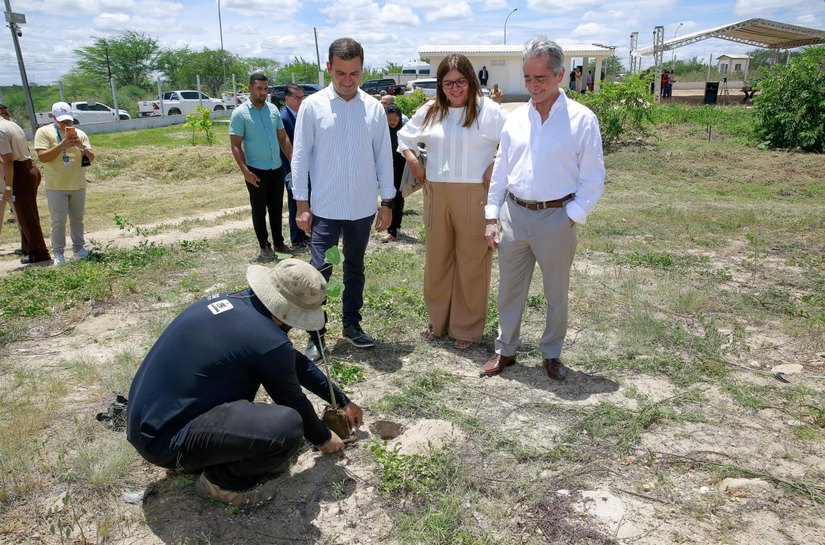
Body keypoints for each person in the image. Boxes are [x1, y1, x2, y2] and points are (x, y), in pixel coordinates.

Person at [127, 259, 363, 508]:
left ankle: (208, 455)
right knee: (287, 427)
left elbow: (294, 362)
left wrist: (341, 400)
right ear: (286, 314)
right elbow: (292, 400)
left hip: (146, 423)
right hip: (165, 442)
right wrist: (324, 438)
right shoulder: (267, 341)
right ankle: (222, 484)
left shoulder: (238, 305)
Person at [482, 36, 605, 381]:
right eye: (527, 78)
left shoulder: (582, 120)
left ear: (560, 75)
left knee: (555, 293)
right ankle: (505, 350)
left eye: (541, 78)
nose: (533, 86)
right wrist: (492, 216)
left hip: (557, 217)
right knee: (509, 289)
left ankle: (551, 354)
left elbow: (593, 177)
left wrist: (571, 216)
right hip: (514, 215)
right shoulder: (515, 119)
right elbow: (501, 169)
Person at [291, 37, 395, 361]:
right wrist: (301, 205)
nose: (348, 81)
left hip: (362, 208)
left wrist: (387, 202)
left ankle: (352, 325)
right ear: (328, 69)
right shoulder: (313, 106)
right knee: (319, 271)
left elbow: (384, 159)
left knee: (354, 268)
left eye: (354, 73)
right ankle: (316, 336)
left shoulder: (374, 108)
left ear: (362, 69)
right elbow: (299, 157)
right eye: (340, 74)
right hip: (324, 209)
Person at [398, 53, 507, 350]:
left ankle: (467, 328)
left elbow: (514, 144)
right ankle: (438, 322)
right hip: (437, 192)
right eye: (448, 83)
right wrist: (414, 161)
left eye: (460, 82)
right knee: (438, 260)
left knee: (472, 261)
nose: (455, 89)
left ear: (471, 81)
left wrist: (495, 164)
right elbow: (404, 137)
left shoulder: (490, 111)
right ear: (440, 85)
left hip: (474, 194)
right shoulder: (431, 111)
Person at [230, 73, 294, 261]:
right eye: (259, 88)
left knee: (276, 208)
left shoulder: (273, 109)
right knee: (259, 210)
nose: (263, 92)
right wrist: (245, 172)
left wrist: (293, 162)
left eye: (265, 89)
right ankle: (264, 246)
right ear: (250, 88)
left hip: (276, 168)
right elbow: (235, 145)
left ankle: (279, 243)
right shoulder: (240, 113)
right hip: (255, 171)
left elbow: (283, 138)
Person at [33, 102, 95, 265]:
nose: (67, 124)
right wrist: (62, 146)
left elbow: (91, 158)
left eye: (69, 120)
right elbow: (43, 157)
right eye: (62, 121)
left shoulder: (80, 134)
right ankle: (58, 253)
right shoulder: (44, 132)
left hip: (78, 184)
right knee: (58, 220)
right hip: (56, 185)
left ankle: (79, 249)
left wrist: (81, 147)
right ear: (53, 117)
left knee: (77, 218)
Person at [1, 108, 51, 265]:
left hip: (19, 171)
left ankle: (39, 253)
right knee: (25, 214)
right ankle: (28, 248)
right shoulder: (10, 124)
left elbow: (8, 159)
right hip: (29, 167)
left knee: (27, 215)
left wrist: (8, 187)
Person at [279, 84, 309, 248]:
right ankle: (298, 238)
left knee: (306, 199)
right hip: (290, 168)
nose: (300, 100)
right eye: (296, 97)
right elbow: (286, 145)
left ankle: (305, 233)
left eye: (302, 97)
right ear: (287, 98)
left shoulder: (300, 114)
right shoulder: (283, 118)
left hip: (303, 165)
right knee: (295, 200)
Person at [382, 104, 406, 243]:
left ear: (399, 118)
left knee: (397, 198)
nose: (391, 122)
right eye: (389, 119)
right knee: (387, 198)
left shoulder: (403, 132)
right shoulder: (382, 131)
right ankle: (390, 227)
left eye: (394, 119)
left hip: (399, 170)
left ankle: (393, 230)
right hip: (386, 169)